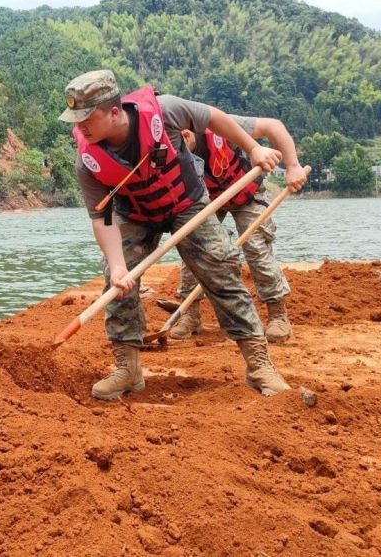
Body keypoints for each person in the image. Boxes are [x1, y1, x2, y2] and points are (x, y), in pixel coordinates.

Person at [60, 70, 290, 401]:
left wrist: (253, 148)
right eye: (75, 118)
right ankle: (128, 369)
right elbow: (102, 219)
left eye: (86, 117)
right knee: (116, 278)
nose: (79, 126)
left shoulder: (165, 110)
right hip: (135, 213)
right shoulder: (87, 162)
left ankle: (259, 365)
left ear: (113, 111)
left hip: (185, 203)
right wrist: (119, 267)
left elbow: (214, 118)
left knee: (221, 268)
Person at [168, 119, 307, 342]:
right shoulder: (167, 152)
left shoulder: (220, 124)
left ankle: (278, 316)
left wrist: (293, 166)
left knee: (255, 245)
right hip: (208, 200)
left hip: (247, 193)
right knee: (193, 246)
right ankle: (191, 315)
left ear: (185, 134)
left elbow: (274, 126)